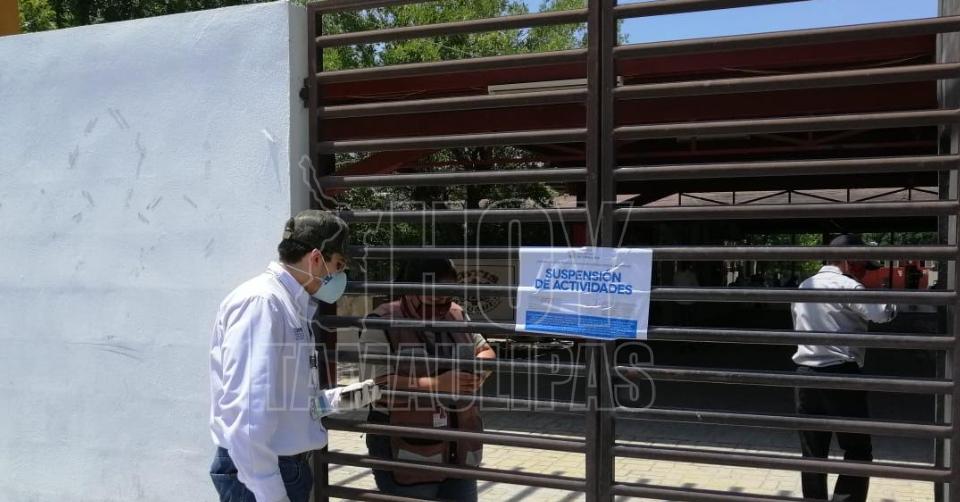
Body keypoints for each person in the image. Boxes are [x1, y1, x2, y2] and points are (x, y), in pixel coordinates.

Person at [208, 210, 380, 502]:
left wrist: (340, 399)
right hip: (260, 474)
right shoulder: (263, 303)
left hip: (279, 468)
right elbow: (247, 418)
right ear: (316, 258)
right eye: (338, 265)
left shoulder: (290, 306)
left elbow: (287, 399)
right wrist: (271, 494)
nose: (339, 276)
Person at [359, 258, 496, 502]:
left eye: (447, 295)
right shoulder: (381, 321)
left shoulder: (457, 314)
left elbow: (485, 349)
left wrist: (480, 370)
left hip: (460, 451)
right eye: (434, 296)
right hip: (407, 454)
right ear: (411, 288)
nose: (442, 302)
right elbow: (374, 388)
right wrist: (438, 385)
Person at [791, 233, 897, 502]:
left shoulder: (805, 285)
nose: (864, 272)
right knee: (858, 450)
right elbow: (882, 314)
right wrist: (876, 289)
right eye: (863, 266)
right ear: (850, 262)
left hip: (805, 376)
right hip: (840, 374)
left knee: (812, 453)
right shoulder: (848, 286)